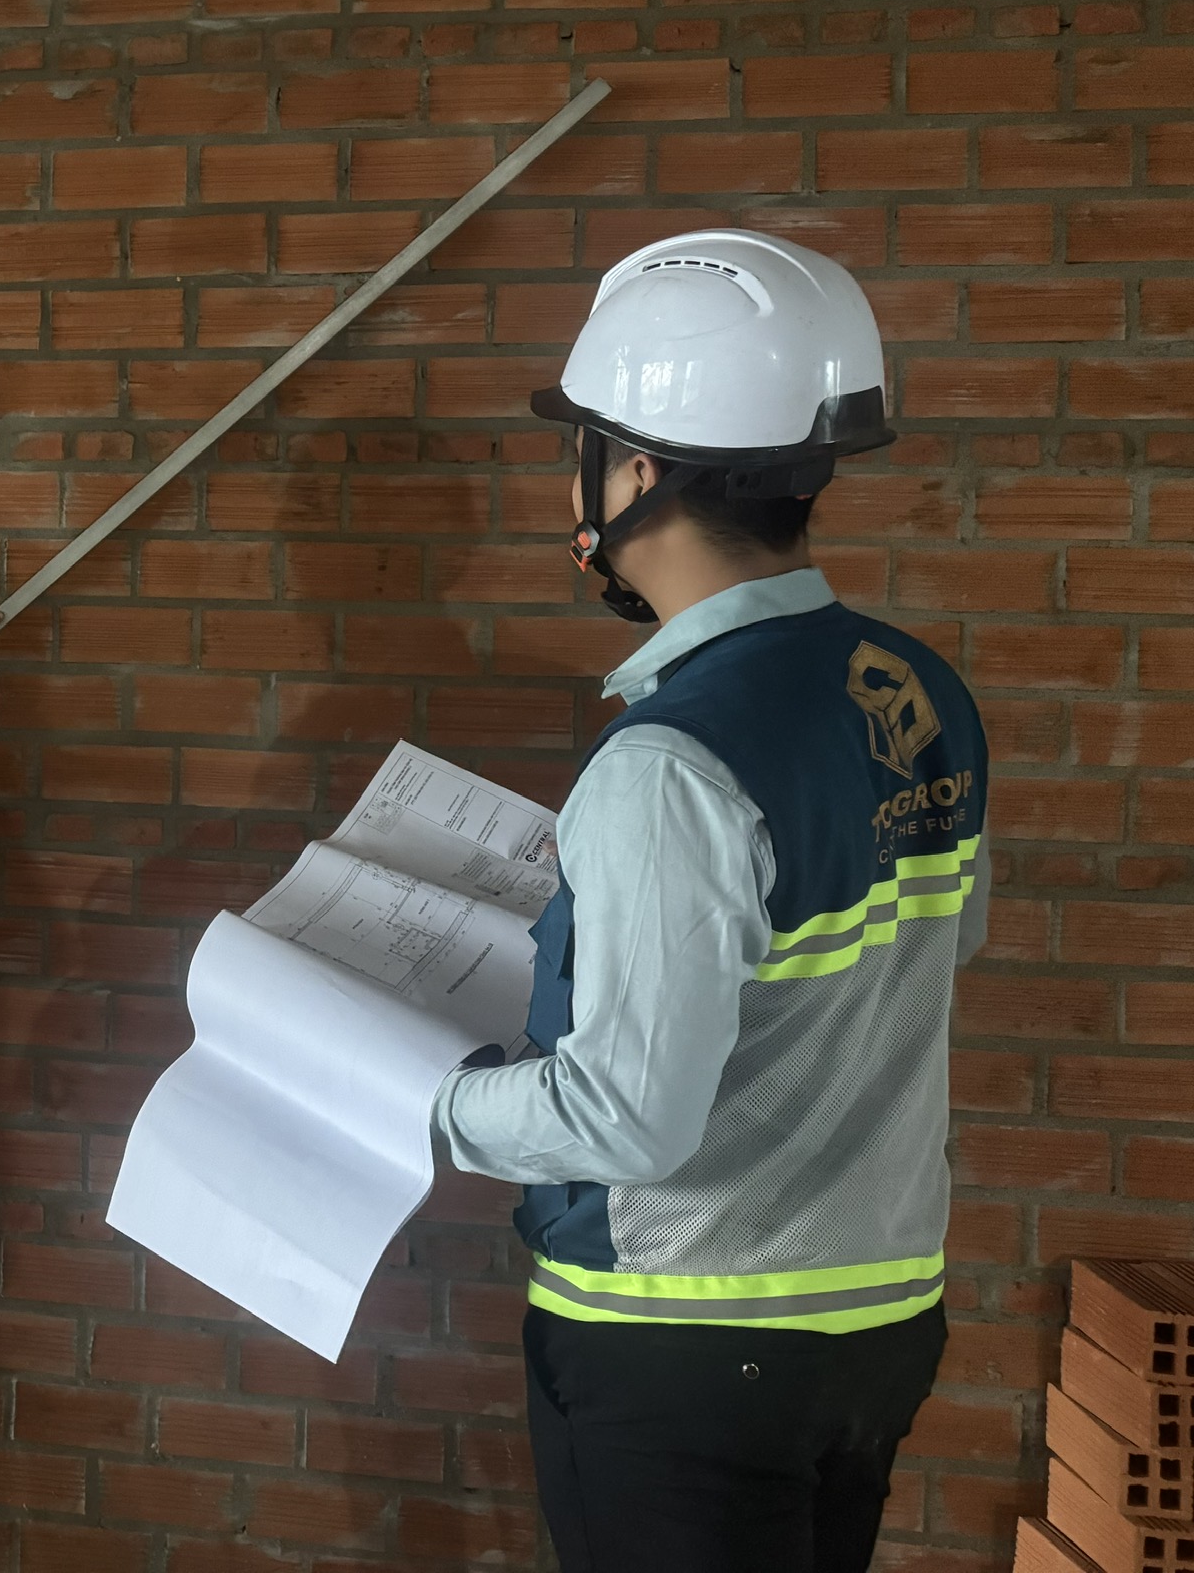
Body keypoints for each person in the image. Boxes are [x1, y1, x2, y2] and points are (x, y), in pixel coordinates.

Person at [431, 231, 991, 1573]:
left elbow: (625, 1117)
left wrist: (422, 1101)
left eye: (581, 447)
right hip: (876, 1323)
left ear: (634, 471)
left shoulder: (670, 764)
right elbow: (928, 953)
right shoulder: (914, 689)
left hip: (685, 1340)